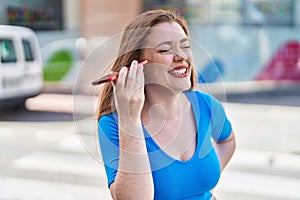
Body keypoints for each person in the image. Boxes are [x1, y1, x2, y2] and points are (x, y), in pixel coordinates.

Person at [96, 9, 236, 200]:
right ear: (138, 64)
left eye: (185, 46)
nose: (181, 56)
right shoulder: (112, 124)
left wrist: (199, 183)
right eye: (165, 50)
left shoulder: (206, 105)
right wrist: (130, 120)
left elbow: (227, 141)